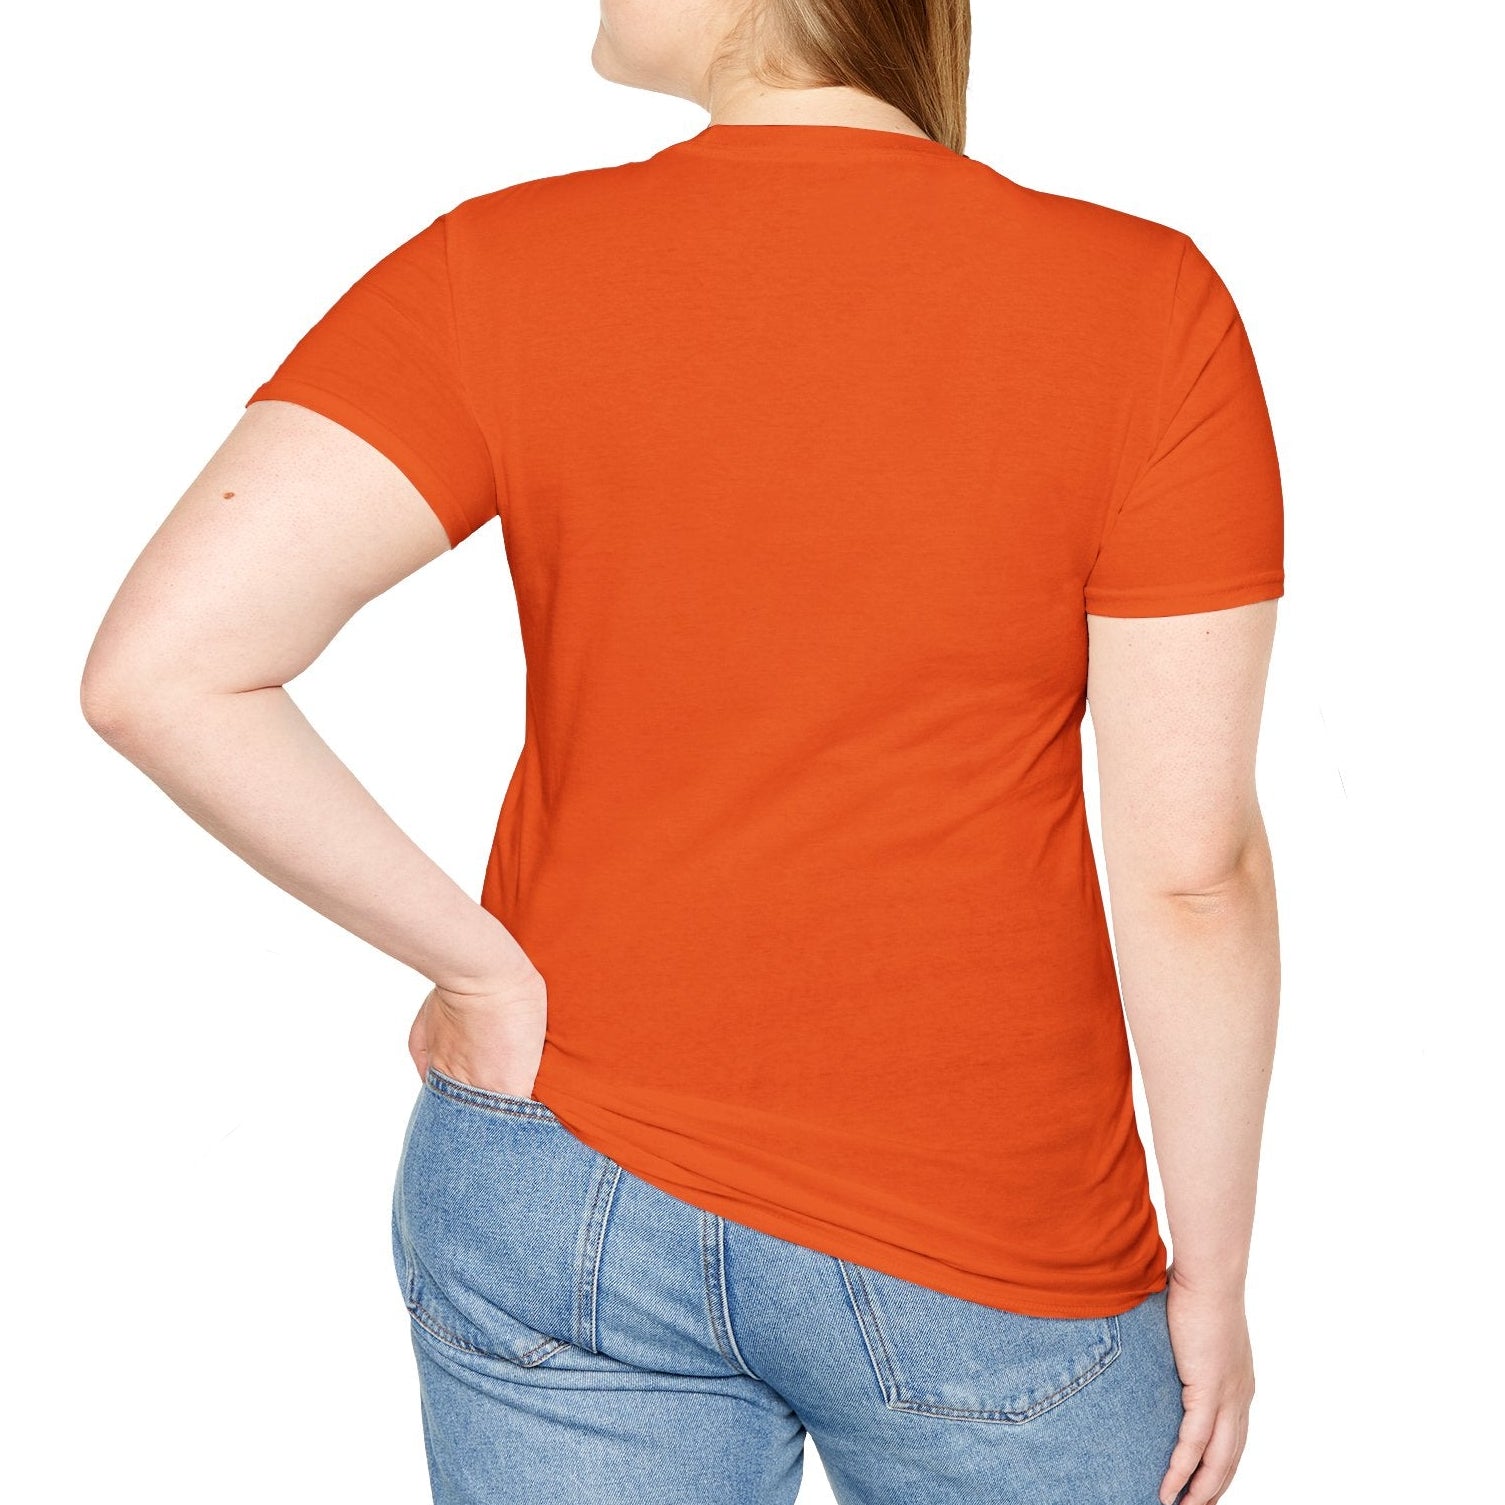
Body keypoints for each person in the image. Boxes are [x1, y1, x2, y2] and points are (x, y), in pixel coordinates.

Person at [79, 2, 1283, 1501]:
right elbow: (1191, 872)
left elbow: (164, 670)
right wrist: (1212, 1279)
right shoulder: (1140, 302)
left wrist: (478, 967)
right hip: (991, 1226)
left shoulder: (500, 265)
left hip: (560, 1173)